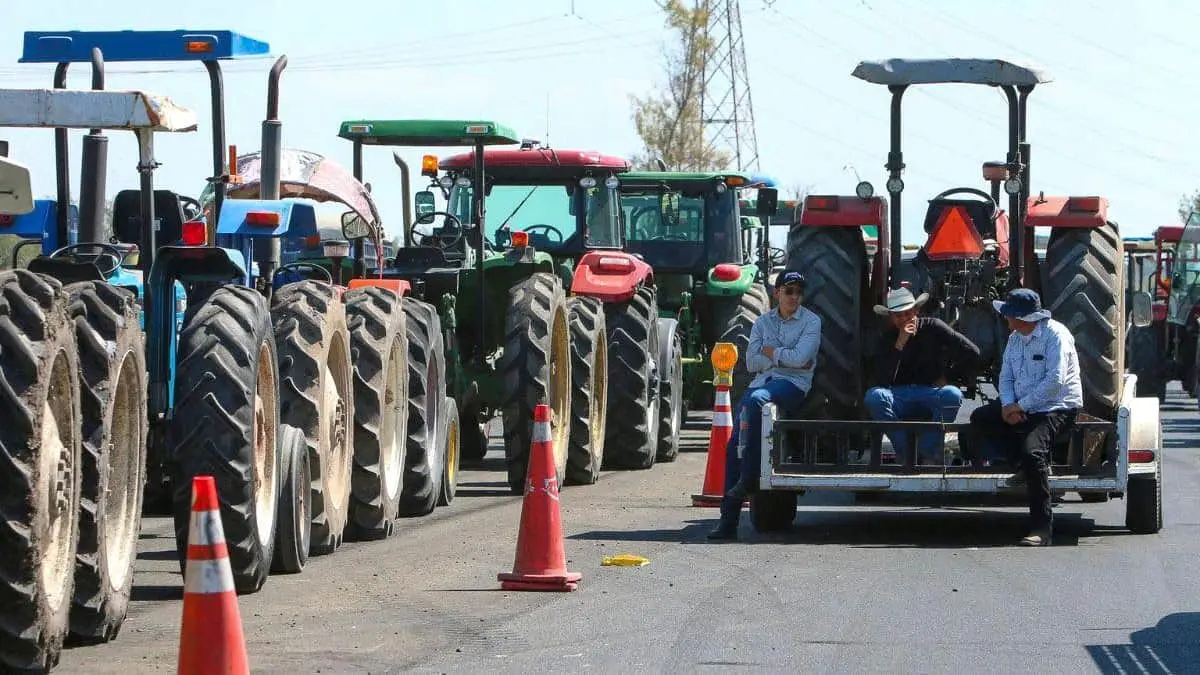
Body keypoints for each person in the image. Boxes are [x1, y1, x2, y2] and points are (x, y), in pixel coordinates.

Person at [708, 271, 821, 541]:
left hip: (793, 386)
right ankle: (728, 521)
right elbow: (751, 362)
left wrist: (771, 352)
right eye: (789, 290)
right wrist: (785, 357)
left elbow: (803, 359)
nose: (794, 297)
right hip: (761, 382)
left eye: (798, 292)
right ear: (777, 292)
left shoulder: (812, 322)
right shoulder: (761, 321)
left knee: (758, 401)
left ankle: (749, 479)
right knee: (734, 444)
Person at [969, 288, 1083, 547]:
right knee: (980, 419)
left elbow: (1055, 383)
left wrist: (1020, 406)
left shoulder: (1057, 336)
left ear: (1023, 318)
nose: (1005, 318)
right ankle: (1019, 463)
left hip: (1056, 408)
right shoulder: (1015, 338)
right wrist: (1008, 405)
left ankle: (1042, 529)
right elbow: (1006, 376)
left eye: (1009, 314)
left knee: (1034, 453)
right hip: (1021, 406)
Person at [863, 287, 982, 464]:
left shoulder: (934, 327)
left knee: (952, 395)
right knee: (874, 397)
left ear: (916, 311)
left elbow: (972, 352)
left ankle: (927, 451)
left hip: (930, 392)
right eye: (898, 315)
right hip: (899, 395)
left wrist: (948, 377)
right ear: (891, 317)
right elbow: (881, 377)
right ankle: (906, 452)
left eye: (907, 313)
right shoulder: (887, 337)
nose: (903, 319)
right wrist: (900, 343)